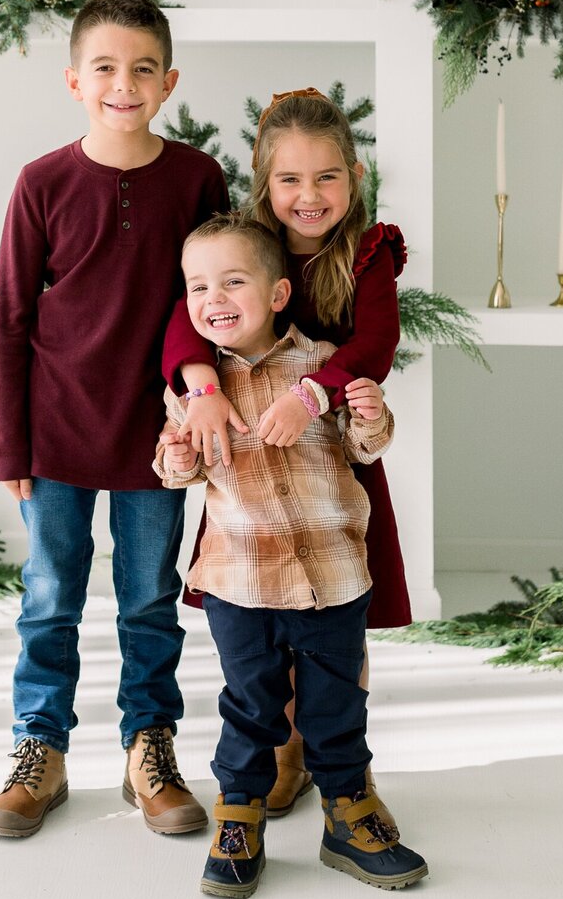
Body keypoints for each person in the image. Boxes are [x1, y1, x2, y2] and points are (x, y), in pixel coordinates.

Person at [0, 0, 227, 841]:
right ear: (76, 80)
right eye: (107, 69)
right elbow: (11, 316)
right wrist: (8, 436)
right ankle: (37, 751)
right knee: (49, 597)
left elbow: (211, 303)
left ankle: (147, 750)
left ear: (169, 83)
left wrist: (201, 402)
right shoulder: (41, 182)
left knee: (149, 599)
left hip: (156, 437)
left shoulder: (197, 179)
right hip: (54, 432)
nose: (125, 84)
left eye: (143, 69)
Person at [157, 211, 428, 899]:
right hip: (239, 582)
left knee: (336, 705)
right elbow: (177, 471)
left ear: (279, 295)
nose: (213, 300)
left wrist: (370, 417)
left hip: (332, 575)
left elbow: (364, 451)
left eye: (233, 282)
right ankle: (239, 817)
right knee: (251, 706)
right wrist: (179, 451)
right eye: (198, 289)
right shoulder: (197, 389)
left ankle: (348, 813)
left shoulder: (322, 369)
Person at [163, 88, 411, 818]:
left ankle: (345, 770)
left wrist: (314, 397)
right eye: (290, 179)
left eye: (326, 177)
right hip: (248, 473)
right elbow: (182, 316)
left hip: (332, 464)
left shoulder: (366, 255)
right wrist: (203, 386)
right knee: (264, 609)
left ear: (355, 177)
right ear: (263, 182)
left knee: (339, 612)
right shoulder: (237, 250)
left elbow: (374, 344)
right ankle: (283, 751)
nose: (309, 196)